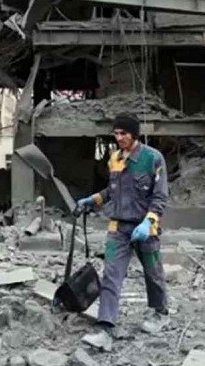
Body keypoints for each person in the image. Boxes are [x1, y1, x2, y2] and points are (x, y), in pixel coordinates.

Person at [76, 112, 170, 350]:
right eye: (116, 133)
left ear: (134, 134)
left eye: (123, 133)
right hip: (118, 227)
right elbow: (113, 190)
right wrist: (93, 200)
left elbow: (160, 196)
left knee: (153, 273)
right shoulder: (115, 158)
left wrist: (148, 222)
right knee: (111, 274)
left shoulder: (153, 159)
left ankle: (160, 313)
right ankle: (105, 328)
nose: (119, 138)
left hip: (145, 227)